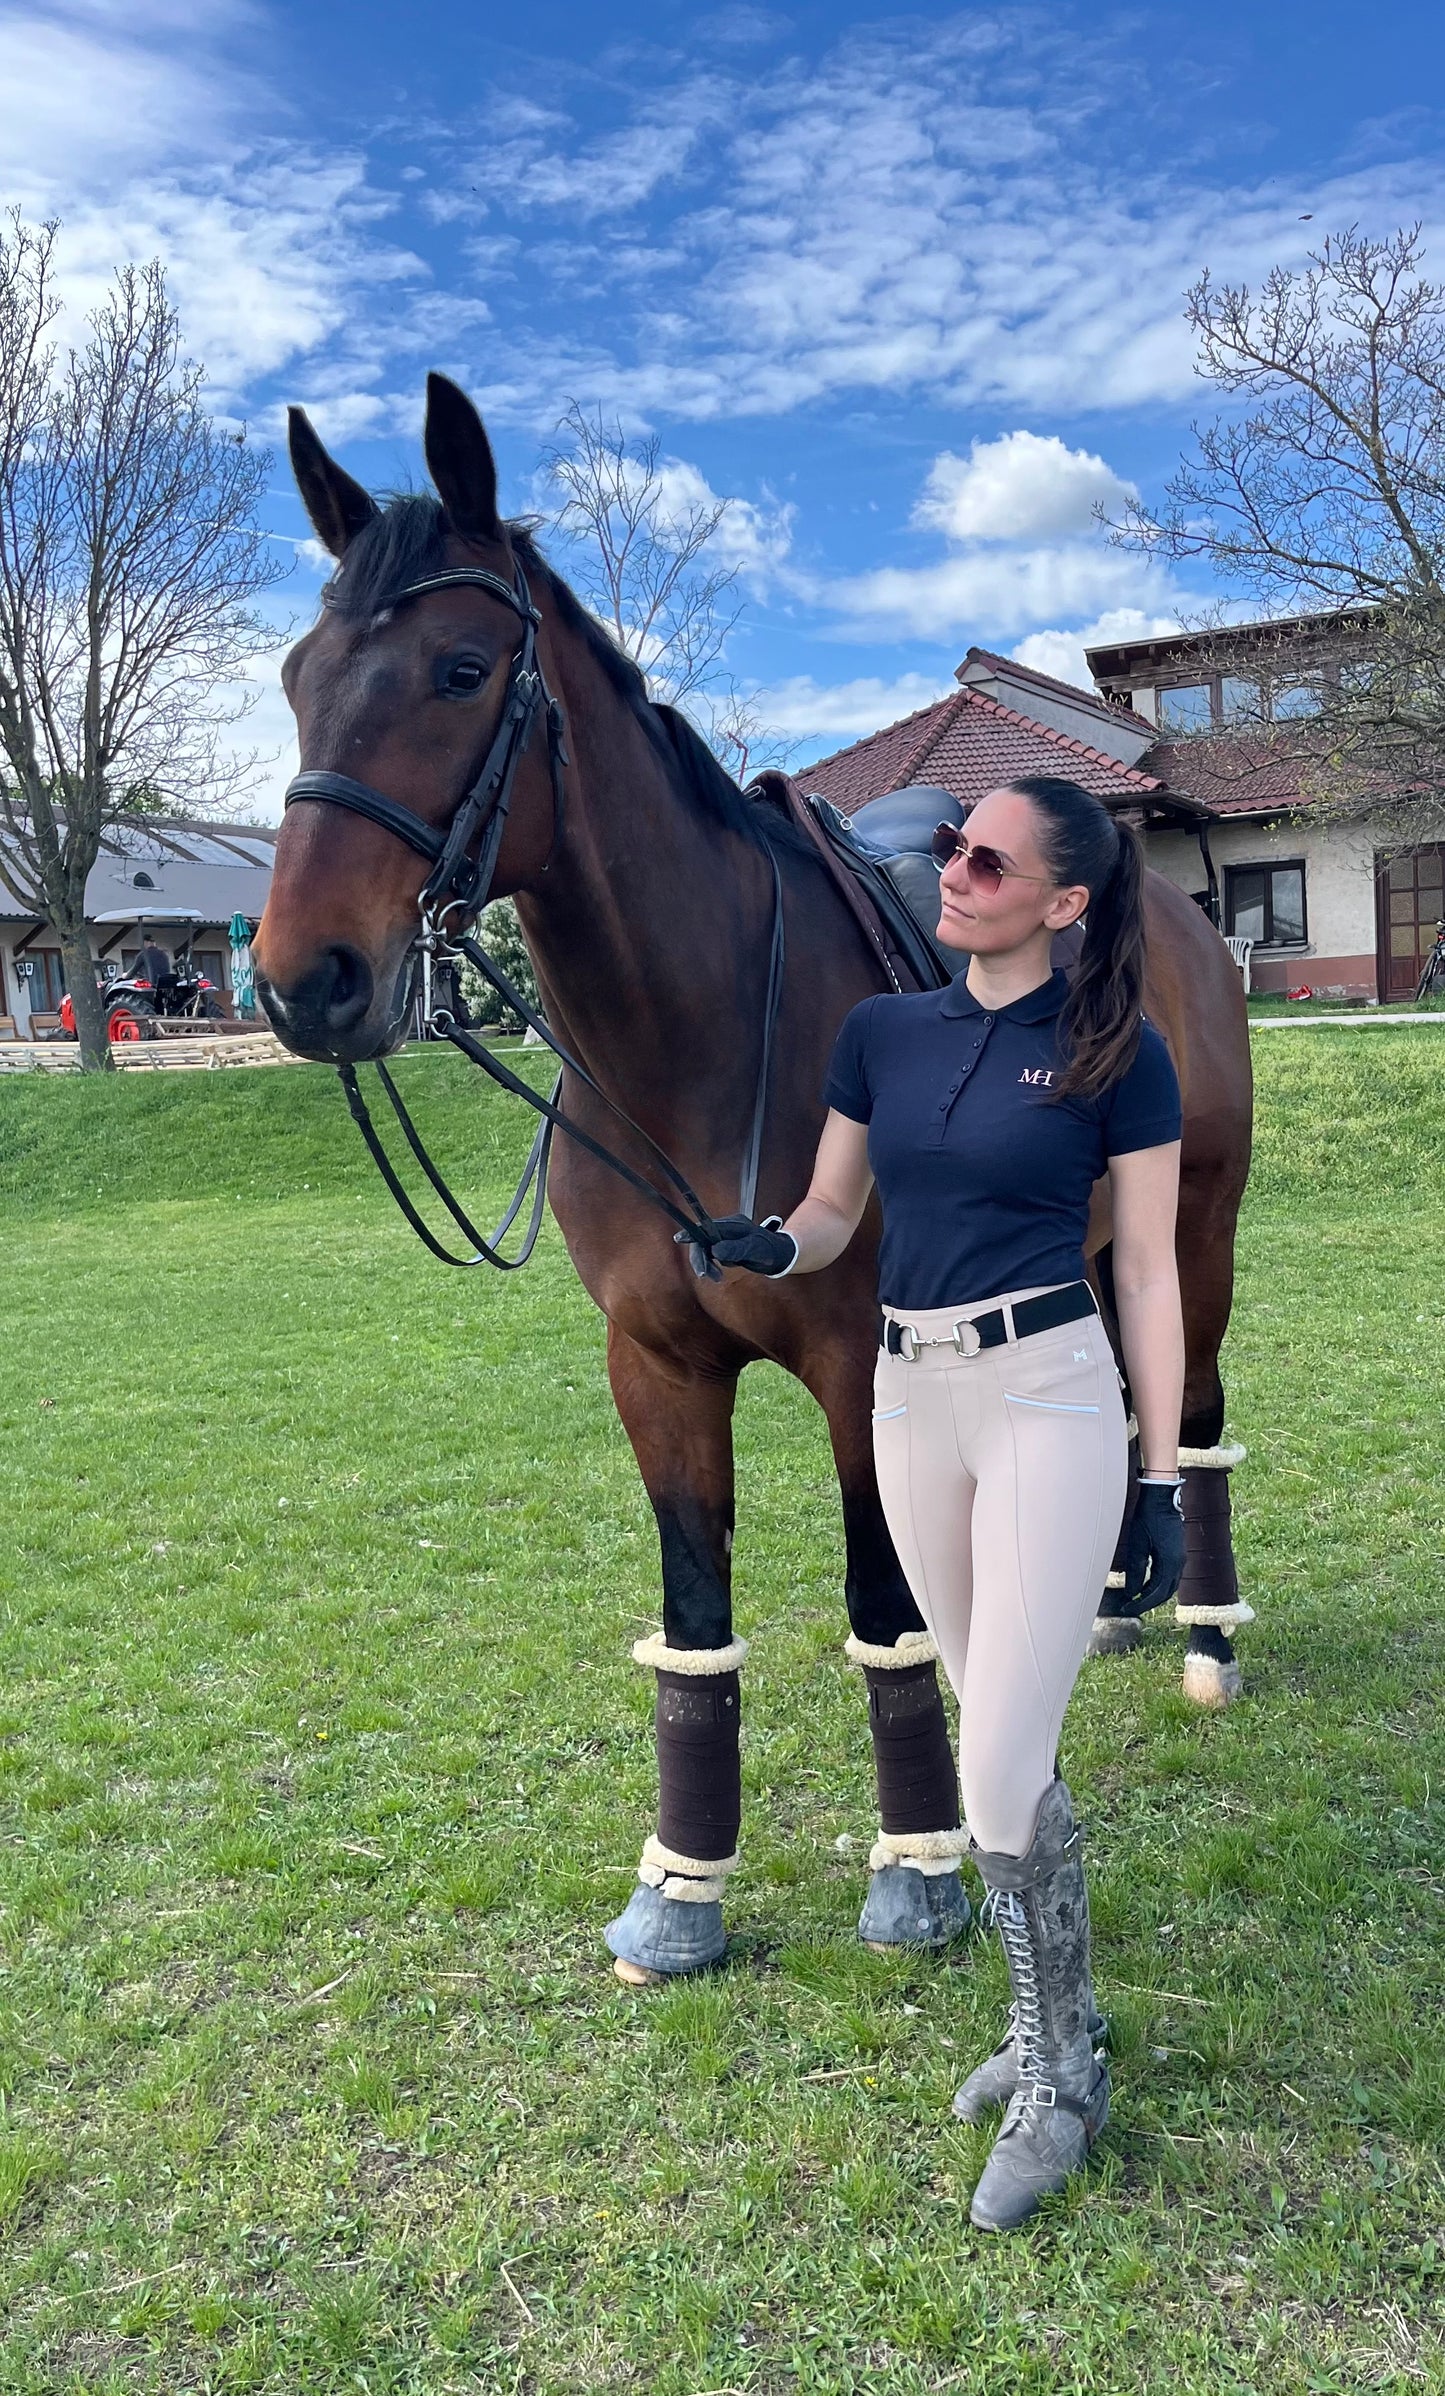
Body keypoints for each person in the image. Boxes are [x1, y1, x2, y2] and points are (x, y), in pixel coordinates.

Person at [687, 775, 1186, 2232]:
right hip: (910, 1401)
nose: (950, 872)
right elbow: (836, 1215)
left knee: (996, 1768)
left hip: (1046, 1397)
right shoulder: (880, 1033)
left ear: (1064, 901)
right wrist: (767, 1243)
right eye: (953, 849)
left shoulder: (1118, 1055)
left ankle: (1054, 2075)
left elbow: (1144, 1270)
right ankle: (1061, 2034)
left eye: (986, 859)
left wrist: (1159, 1480)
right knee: (995, 1742)